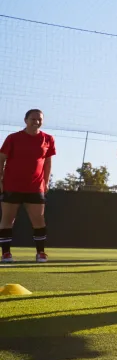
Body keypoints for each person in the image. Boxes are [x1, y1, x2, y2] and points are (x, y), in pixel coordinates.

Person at [0, 109, 55, 263]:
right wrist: (0, 179)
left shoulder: (48, 139)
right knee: (7, 220)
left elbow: (48, 162)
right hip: (11, 186)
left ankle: (41, 253)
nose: (36, 122)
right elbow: (1, 159)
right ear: (26, 120)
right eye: (33, 119)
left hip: (35, 187)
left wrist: (46, 181)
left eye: (39, 119)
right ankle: (6, 254)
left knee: (39, 220)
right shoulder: (13, 138)